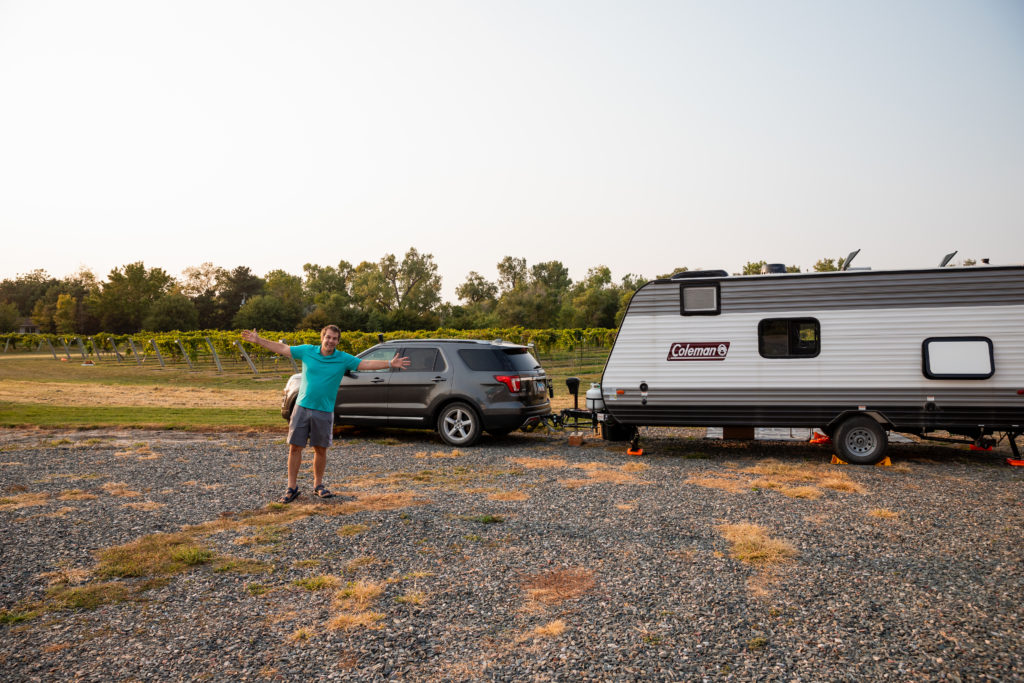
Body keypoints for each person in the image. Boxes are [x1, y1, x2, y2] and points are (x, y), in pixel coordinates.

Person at [241, 325, 410, 503]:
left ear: (338, 341)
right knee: (295, 447)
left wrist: (390, 364)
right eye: (328, 337)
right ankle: (291, 488)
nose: (331, 341)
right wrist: (259, 340)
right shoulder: (307, 351)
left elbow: (365, 364)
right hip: (302, 407)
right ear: (322, 338)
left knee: (320, 449)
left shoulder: (342, 358)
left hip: (324, 410)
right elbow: (283, 348)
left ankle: (318, 486)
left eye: (334, 339)